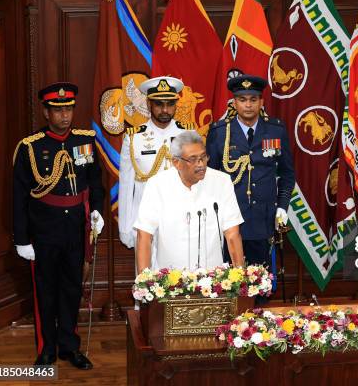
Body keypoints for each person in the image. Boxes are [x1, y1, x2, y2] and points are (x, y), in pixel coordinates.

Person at [13, 82, 105, 369]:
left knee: (71, 289)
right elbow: (18, 196)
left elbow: (95, 182)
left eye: (68, 109)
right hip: (44, 230)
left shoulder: (85, 140)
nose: (64, 116)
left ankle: (69, 346)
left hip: (76, 229)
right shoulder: (30, 147)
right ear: (45, 112)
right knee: (45, 291)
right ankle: (46, 348)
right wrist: (22, 238)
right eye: (57, 110)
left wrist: (98, 212)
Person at [206, 74, 295, 268]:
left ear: (261, 102)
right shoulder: (220, 132)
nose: (248, 105)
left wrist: (282, 206)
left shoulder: (275, 130)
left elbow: (287, 173)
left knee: (261, 282)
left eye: (253, 100)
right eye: (242, 100)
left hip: (263, 218)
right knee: (229, 281)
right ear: (234, 103)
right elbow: (209, 177)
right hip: (229, 217)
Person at [134, 131, 245, 272]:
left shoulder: (221, 181)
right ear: (176, 162)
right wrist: (144, 281)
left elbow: (232, 233)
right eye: (193, 159)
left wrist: (240, 276)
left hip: (212, 280)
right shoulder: (157, 185)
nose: (201, 164)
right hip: (169, 281)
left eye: (203, 157)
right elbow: (144, 234)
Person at [118, 76, 193, 258]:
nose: (165, 110)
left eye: (170, 104)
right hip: (145, 221)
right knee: (147, 281)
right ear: (149, 103)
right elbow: (126, 184)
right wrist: (125, 227)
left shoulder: (189, 134)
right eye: (159, 104)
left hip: (182, 221)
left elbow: (197, 180)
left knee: (182, 281)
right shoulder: (134, 137)